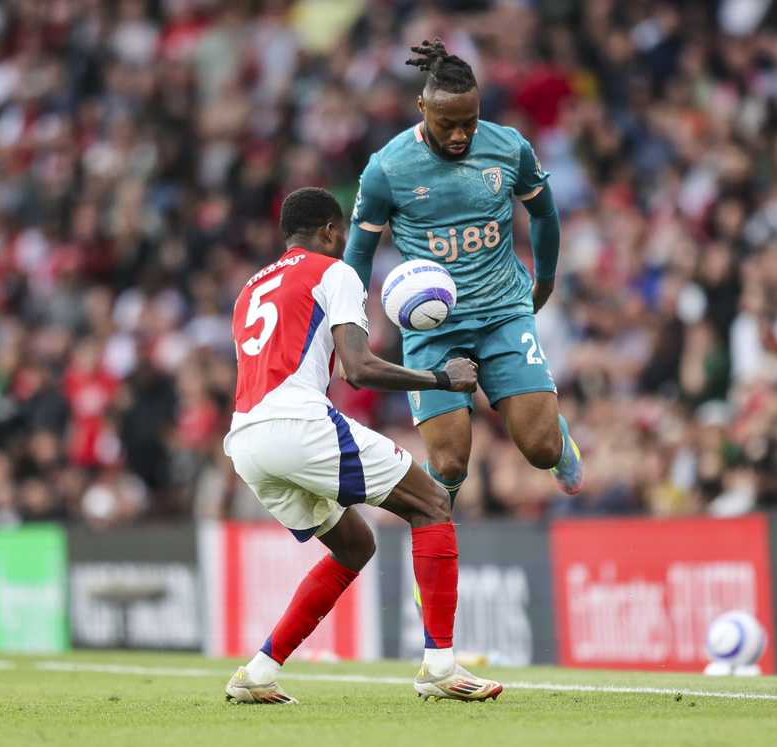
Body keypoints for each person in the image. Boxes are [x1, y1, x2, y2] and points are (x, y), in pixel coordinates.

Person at [221, 187, 502, 704]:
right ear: (330, 229)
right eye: (342, 231)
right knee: (432, 503)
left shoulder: (249, 289)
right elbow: (359, 368)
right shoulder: (335, 271)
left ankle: (258, 672)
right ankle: (439, 666)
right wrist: (443, 378)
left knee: (355, 545)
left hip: (246, 441)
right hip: (297, 424)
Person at [343, 39, 583, 508]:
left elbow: (545, 215)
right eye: (446, 124)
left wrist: (546, 279)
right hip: (432, 324)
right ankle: (433, 541)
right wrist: (351, 320)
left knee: (540, 450)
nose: (458, 135)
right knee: (451, 462)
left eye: (468, 123)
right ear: (421, 108)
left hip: (502, 310)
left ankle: (558, 438)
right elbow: (359, 253)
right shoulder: (387, 169)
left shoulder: (508, 148)